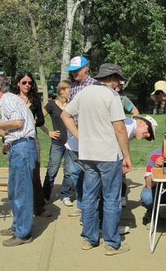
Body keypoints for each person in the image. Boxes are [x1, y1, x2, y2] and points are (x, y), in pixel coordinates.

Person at [61, 63, 131, 256]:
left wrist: (80, 136)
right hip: (109, 154)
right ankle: (111, 242)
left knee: (90, 197)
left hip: (88, 153)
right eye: (118, 78)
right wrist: (127, 155)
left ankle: (89, 238)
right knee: (110, 199)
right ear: (113, 78)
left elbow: (65, 115)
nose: (119, 82)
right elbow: (120, 128)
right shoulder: (112, 96)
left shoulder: (84, 93)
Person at [0, 74, 38, 247]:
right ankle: (17, 227)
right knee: (14, 192)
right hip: (18, 147)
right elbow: (11, 129)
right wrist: (4, 139)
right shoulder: (6, 101)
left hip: (22, 148)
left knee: (21, 192)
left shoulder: (7, 99)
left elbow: (18, 123)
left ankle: (24, 233)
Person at [11, 71, 50, 218]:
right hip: (16, 139)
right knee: (19, 175)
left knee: (34, 172)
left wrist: (32, 122)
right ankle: (21, 210)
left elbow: (41, 120)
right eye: (24, 83)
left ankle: (39, 207)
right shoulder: (13, 99)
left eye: (30, 83)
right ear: (18, 84)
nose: (27, 85)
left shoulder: (34, 99)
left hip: (32, 138)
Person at [65, 55, 97, 218]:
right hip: (75, 134)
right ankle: (81, 204)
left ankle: (90, 206)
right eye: (72, 71)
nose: (74, 74)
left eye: (76, 70)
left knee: (90, 172)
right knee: (76, 172)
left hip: (90, 134)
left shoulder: (94, 85)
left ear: (86, 69)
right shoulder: (74, 86)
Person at [40, 80, 73, 206]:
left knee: (69, 171)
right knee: (52, 169)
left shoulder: (73, 104)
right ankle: (45, 195)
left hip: (71, 144)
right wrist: (48, 132)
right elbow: (39, 119)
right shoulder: (52, 105)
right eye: (69, 89)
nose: (71, 91)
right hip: (57, 143)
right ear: (61, 91)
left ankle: (65, 195)